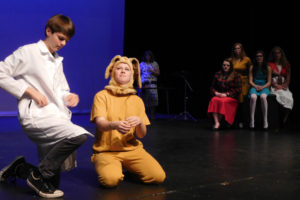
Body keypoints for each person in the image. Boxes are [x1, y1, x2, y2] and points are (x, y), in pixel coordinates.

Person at [0, 14, 93, 198]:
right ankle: (37, 175)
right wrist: (28, 90)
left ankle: (20, 168)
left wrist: (69, 96)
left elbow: (61, 89)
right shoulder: (29, 52)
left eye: (66, 41)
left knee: (51, 184)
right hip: (36, 115)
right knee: (79, 135)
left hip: (54, 114)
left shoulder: (56, 60)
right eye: (60, 38)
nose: (63, 43)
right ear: (48, 31)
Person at [90, 55, 166, 188]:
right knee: (110, 180)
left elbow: (141, 135)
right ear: (112, 72)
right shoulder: (101, 96)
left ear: (132, 74)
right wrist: (114, 125)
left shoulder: (137, 100)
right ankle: (111, 167)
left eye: (127, 69)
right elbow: (101, 124)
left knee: (158, 177)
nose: (123, 71)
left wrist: (140, 122)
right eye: (119, 68)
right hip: (107, 151)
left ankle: (129, 169)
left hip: (131, 150)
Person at [208, 59, 242, 130]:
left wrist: (227, 94)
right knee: (213, 100)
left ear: (230, 67)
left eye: (227, 65)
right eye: (224, 65)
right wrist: (216, 93)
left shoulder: (236, 75)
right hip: (220, 95)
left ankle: (218, 122)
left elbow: (238, 89)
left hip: (231, 97)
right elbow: (212, 87)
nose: (225, 67)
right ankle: (217, 122)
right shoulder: (218, 74)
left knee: (223, 102)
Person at [268, 46, 293, 126]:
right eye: (275, 53)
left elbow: (288, 78)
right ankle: (278, 119)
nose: (277, 54)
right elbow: (269, 77)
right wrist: (275, 85)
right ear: (273, 54)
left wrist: (283, 86)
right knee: (279, 96)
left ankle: (285, 118)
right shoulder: (270, 64)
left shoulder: (286, 64)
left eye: (278, 53)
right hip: (274, 85)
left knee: (289, 97)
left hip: (283, 85)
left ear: (281, 54)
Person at [229, 42, 252, 128]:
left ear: (241, 49)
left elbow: (250, 71)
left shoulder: (247, 59)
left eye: (238, 48)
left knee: (241, 101)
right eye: (235, 48)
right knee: (233, 100)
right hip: (233, 81)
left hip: (243, 81)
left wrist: (250, 83)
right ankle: (233, 120)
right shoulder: (230, 59)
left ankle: (241, 121)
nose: (237, 50)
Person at [248, 50, 272, 129]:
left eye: (260, 56)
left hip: (264, 86)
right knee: (253, 97)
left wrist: (262, 87)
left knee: (263, 97)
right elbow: (250, 81)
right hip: (255, 86)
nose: (259, 57)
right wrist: (255, 86)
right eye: (257, 56)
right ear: (255, 58)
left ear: (263, 57)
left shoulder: (268, 67)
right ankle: (252, 121)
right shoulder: (252, 67)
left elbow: (269, 82)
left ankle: (265, 121)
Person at [140, 50, 160, 119]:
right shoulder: (142, 64)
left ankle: (152, 115)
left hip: (153, 84)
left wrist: (152, 71)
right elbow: (138, 74)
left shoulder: (154, 64)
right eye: (146, 55)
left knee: (154, 100)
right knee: (144, 100)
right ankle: (143, 115)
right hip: (144, 84)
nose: (147, 57)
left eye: (149, 55)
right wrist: (141, 83)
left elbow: (158, 74)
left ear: (151, 56)